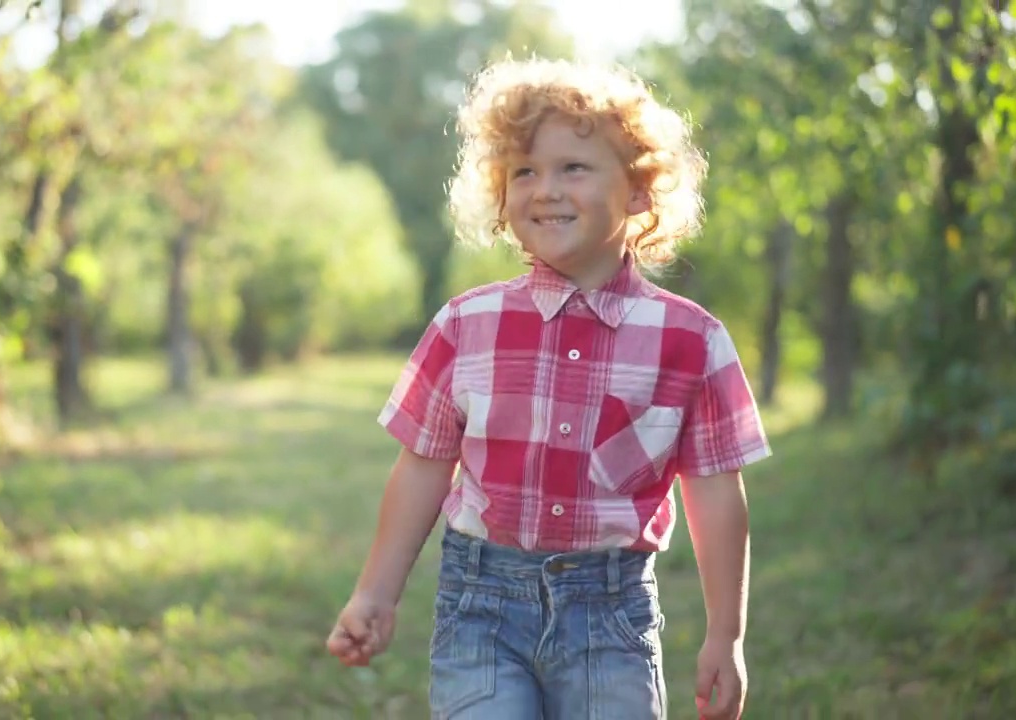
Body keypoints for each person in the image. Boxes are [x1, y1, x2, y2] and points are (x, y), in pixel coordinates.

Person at [326, 56, 771, 720]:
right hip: (481, 610)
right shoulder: (466, 325)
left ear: (640, 191)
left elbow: (714, 493)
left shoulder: (692, 341)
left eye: (574, 168)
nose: (545, 188)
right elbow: (422, 469)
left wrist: (725, 635)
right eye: (524, 172)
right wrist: (375, 594)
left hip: (610, 619)